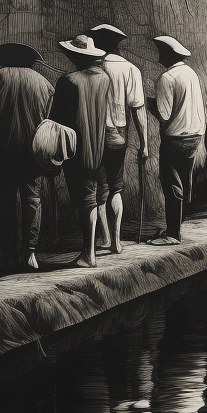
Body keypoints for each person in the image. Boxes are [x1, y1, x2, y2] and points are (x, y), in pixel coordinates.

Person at [0, 42, 54, 270]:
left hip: (4, 151)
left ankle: (8, 255)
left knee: (5, 202)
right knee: (32, 200)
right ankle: (30, 253)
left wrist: (1, 130)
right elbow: (48, 121)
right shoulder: (44, 83)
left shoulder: (1, 76)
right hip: (33, 153)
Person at [50, 33, 111, 267]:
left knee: (86, 202)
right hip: (101, 148)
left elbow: (56, 119)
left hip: (79, 150)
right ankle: (98, 245)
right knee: (96, 198)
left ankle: (89, 254)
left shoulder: (68, 81)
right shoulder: (105, 78)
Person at [89, 24, 148, 255]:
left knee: (98, 188)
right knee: (116, 188)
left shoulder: (93, 67)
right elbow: (138, 109)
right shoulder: (131, 69)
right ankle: (116, 241)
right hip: (119, 134)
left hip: (95, 134)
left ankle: (103, 236)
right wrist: (145, 144)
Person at [150, 36, 205, 244]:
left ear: (168, 54)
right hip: (195, 136)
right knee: (184, 182)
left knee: (172, 184)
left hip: (174, 138)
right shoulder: (191, 74)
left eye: (161, 52)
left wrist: (150, 104)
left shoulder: (167, 78)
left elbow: (164, 115)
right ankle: (176, 228)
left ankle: (172, 234)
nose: (158, 56)